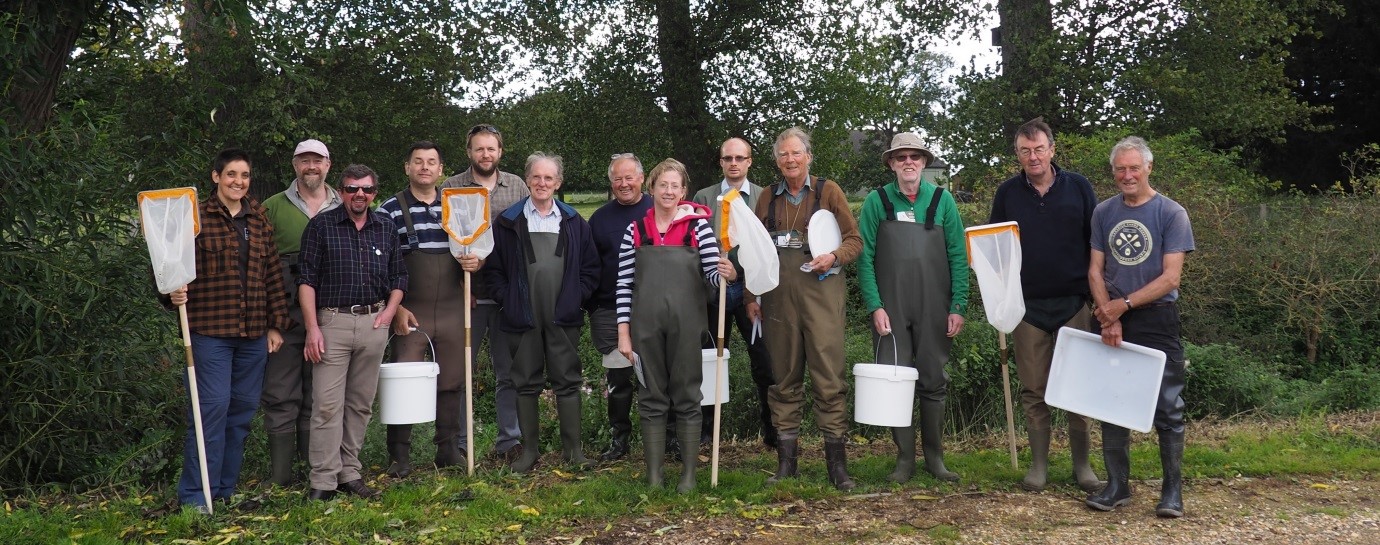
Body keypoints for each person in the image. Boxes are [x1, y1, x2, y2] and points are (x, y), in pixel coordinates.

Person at [168, 148, 293, 512]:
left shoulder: (258, 220)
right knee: (212, 409)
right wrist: (171, 291)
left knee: (240, 411)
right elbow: (168, 264)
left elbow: (272, 273)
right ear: (216, 177)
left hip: (253, 333)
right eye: (231, 175)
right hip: (209, 332)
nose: (238, 182)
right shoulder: (194, 218)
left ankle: (223, 490)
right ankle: (195, 496)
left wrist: (275, 324)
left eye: (245, 176)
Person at [987, 118, 1103, 492]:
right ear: (1017, 155)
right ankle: (1038, 467)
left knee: (1079, 386)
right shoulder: (1007, 193)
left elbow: (1097, 245)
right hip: (1026, 309)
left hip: (1074, 303)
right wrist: (998, 299)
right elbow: (994, 249)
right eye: (1025, 151)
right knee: (1034, 389)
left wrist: (1099, 297)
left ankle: (1082, 466)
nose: (1033, 156)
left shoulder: (1079, 187)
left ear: (1052, 149)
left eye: (1039, 149)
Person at [745, 127, 863, 490]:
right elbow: (753, 250)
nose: (790, 160)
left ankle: (837, 466)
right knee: (783, 379)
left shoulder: (829, 191)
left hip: (822, 297)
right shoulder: (765, 197)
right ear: (777, 160)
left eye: (796, 153)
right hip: (779, 299)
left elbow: (855, 240)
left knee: (829, 378)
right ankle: (787, 464)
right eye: (783, 155)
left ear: (809, 156)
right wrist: (751, 297)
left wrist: (834, 256)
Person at [1085, 136, 1194, 518]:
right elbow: (1095, 270)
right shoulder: (1103, 212)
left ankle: (1172, 492)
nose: (1127, 175)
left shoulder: (1172, 213)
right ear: (1113, 172)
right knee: (1112, 402)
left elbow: (1171, 278)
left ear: (1148, 167)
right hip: (1111, 317)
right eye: (1120, 169)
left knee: (1168, 405)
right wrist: (1108, 314)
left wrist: (1124, 305)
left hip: (1156, 317)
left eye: (1134, 168)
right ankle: (1117, 487)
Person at [857, 132, 970, 483]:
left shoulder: (943, 200)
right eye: (901, 157)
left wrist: (959, 305)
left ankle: (935, 459)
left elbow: (957, 256)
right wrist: (875, 305)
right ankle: (904, 459)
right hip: (890, 308)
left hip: (934, 306)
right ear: (891, 163)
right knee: (895, 380)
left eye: (915, 157)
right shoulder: (877, 202)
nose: (908, 162)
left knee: (934, 380)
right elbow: (865, 258)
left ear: (924, 162)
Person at [614, 159, 731, 492]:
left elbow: (712, 275)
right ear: (651, 189)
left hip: (687, 327)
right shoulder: (636, 231)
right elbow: (623, 284)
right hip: (645, 328)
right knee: (651, 397)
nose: (668, 191)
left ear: (684, 191)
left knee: (687, 398)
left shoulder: (699, 229)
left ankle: (689, 476)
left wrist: (728, 274)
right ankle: (654, 477)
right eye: (662, 185)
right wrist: (624, 332)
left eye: (674, 186)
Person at [482, 153, 600, 474]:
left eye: (549, 178)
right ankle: (529, 451)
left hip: (563, 316)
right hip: (522, 315)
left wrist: (577, 297)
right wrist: (508, 300)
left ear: (558, 183)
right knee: (525, 382)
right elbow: (493, 272)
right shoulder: (508, 222)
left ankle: (573, 451)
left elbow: (590, 269)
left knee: (568, 381)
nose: (542, 183)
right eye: (536, 177)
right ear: (527, 180)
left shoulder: (575, 222)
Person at [297, 164, 407, 501]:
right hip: (332, 323)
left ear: (374, 193)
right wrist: (312, 328)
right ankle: (323, 480)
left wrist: (388, 313)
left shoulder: (386, 228)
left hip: (374, 321)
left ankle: (349, 473)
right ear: (341, 190)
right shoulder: (321, 226)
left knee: (360, 405)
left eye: (367, 190)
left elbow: (399, 278)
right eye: (351, 188)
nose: (359, 195)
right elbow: (306, 281)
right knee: (327, 405)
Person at [380, 142, 483, 477]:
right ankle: (399, 456)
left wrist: (475, 262)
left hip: (454, 308)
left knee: (452, 379)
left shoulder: (458, 206)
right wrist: (396, 308)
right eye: (418, 162)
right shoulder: (389, 210)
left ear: (441, 170)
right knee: (403, 380)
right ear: (407, 167)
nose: (425, 167)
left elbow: (477, 247)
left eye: (432, 162)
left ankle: (448, 450)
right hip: (411, 310)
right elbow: (378, 265)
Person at [440, 124, 529, 463]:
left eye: (491, 149)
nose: (485, 155)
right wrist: (461, 282)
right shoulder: (452, 187)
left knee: (508, 373)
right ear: (469, 152)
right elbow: (445, 240)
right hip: (468, 297)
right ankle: (461, 443)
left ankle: (510, 441)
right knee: (463, 371)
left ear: (500, 152)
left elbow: (522, 242)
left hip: (505, 296)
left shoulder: (517, 186)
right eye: (479, 149)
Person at [260, 139, 342, 486]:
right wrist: (269, 321)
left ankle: (315, 470)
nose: (311, 166)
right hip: (283, 311)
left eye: (317, 160)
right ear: (294, 165)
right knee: (281, 391)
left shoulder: (345, 203)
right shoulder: (272, 207)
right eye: (304, 160)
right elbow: (258, 266)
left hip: (331, 310)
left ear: (328, 164)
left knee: (319, 393)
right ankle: (281, 476)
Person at [691, 137, 777, 450]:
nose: (734, 164)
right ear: (721, 162)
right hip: (714, 293)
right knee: (710, 359)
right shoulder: (704, 196)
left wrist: (739, 269)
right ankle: (707, 433)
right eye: (728, 158)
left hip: (751, 293)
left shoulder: (762, 197)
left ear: (750, 161)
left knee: (764, 361)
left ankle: (773, 431)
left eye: (740, 158)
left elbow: (765, 247)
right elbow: (696, 244)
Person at [587, 153, 654, 462]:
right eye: (617, 179)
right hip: (610, 308)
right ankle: (619, 440)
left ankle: (665, 439)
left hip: (653, 306)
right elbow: (589, 266)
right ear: (611, 182)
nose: (624, 184)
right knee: (619, 379)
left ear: (641, 178)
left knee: (656, 377)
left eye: (630, 177)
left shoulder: (659, 209)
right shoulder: (599, 219)